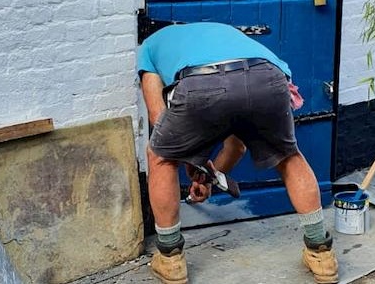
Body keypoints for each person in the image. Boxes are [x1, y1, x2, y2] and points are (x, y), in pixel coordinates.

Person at [137, 22, 339, 284]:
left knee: (160, 156)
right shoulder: (224, 33)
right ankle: (321, 254)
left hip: (201, 80)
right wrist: (209, 175)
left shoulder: (150, 47)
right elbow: (236, 144)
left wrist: (187, 156)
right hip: (267, 76)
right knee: (289, 157)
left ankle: (170, 258)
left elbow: (159, 121)